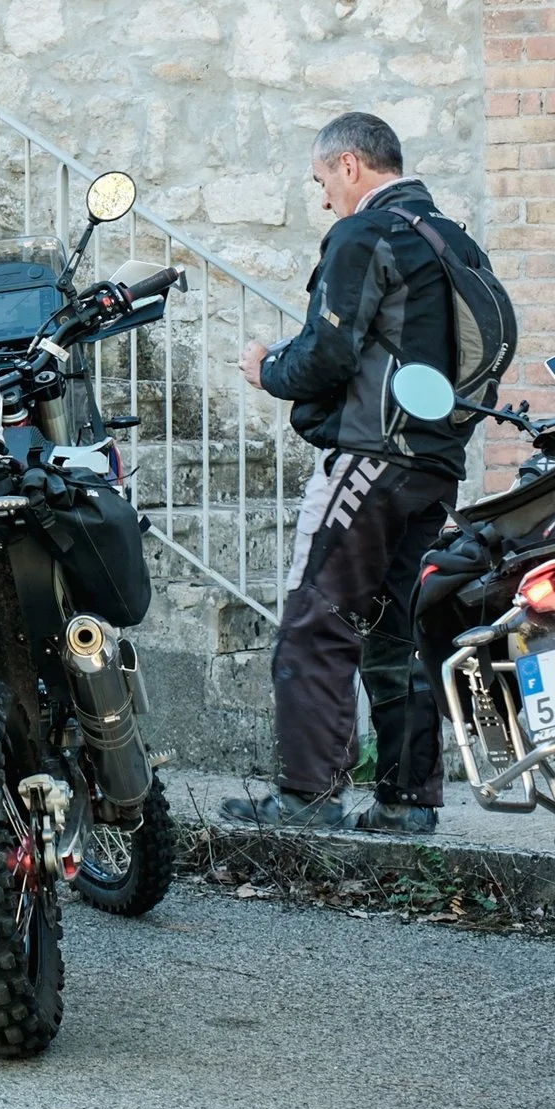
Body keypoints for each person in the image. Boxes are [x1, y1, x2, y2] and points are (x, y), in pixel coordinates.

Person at [224, 112, 485, 836]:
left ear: (349, 166)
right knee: (397, 627)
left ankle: (308, 794)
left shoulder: (365, 233)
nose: (325, 200)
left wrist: (265, 368)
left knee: (316, 616)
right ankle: (408, 802)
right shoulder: (449, 238)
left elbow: (327, 356)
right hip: (435, 464)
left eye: (321, 183)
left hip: (372, 457)